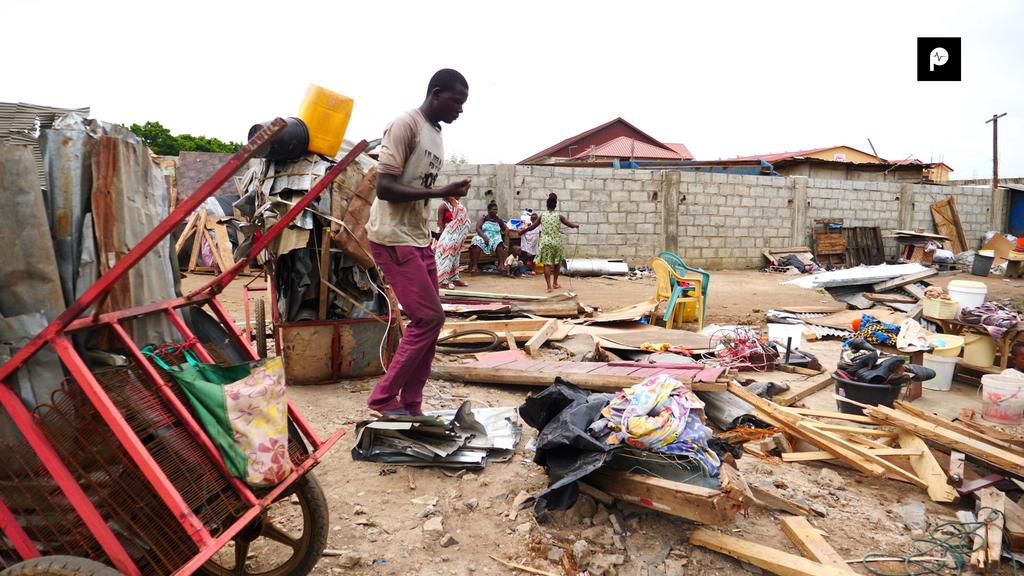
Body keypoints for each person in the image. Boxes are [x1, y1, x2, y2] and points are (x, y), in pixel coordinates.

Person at [365, 68, 470, 417]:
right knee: (428, 319)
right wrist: (440, 191)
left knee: (433, 321)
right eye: (456, 101)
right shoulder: (404, 126)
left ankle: (411, 404)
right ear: (436, 93)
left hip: (419, 237)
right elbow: (385, 188)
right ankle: (383, 399)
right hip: (393, 237)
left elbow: (417, 187)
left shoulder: (436, 134)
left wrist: (442, 198)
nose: (460, 109)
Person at [521, 192, 579, 292]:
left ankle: (549, 287)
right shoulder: (559, 216)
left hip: (545, 243)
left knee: (547, 264)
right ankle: (555, 283)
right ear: (555, 205)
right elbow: (569, 224)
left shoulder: (542, 216)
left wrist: (523, 230)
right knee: (556, 264)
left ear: (547, 205)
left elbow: (532, 227)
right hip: (556, 243)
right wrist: (575, 226)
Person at [434, 196, 471, 288]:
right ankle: (443, 281)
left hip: (458, 235)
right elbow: (440, 222)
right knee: (447, 257)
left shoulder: (458, 205)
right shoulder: (443, 206)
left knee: (455, 257)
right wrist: (442, 236)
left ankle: (455, 279)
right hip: (448, 235)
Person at [468, 201, 509, 274]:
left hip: (495, 238)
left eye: (496, 209)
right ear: (489, 210)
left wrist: (505, 232)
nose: (495, 211)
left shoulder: (498, 220)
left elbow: (506, 228)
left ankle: (501, 265)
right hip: (484, 237)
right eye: (494, 209)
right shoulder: (484, 219)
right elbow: (478, 228)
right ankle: (474, 266)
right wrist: (484, 237)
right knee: (476, 241)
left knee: (499, 241)